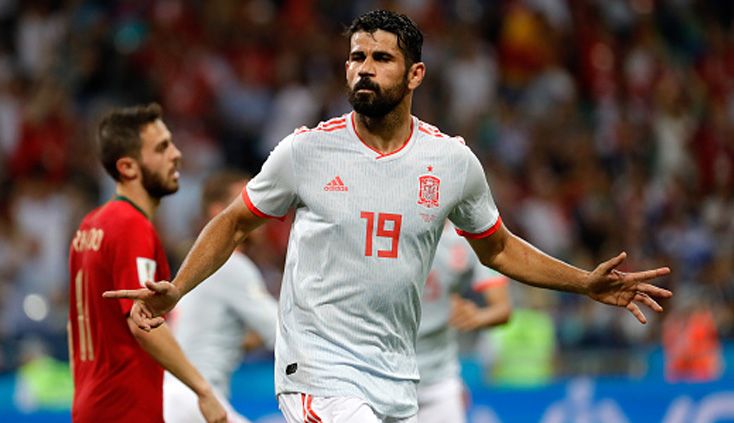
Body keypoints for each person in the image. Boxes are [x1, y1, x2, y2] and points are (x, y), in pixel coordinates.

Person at [104, 10, 671, 423]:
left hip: (399, 377)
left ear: (415, 75)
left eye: (380, 58)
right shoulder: (305, 152)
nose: (364, 70)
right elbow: (233, 221)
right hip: (318, 371)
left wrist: (583, 283)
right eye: (356, 58)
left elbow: (497, 248)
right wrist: (177, 289)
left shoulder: (451, 163)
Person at [67, 103, 227, 423]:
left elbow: (74, 328)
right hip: (125, 407)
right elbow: (143, 323)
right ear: (128, 167)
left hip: (89, 404)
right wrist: (203, 390)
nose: (177, 154)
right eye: (162, 147)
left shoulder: (89, 227)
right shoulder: (132, 225)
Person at [163, 170, 279, 423]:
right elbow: (281, 333)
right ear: (218, 212)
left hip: (176, 396)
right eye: (247, 201)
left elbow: (215, 331)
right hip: (197, 398)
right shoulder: (231, 265)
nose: (259, 209)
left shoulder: (198, 264)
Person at [416, 223, 511, 423]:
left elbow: (502, 309)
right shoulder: (388, 226)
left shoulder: (468, 235)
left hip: (439, 377)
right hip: (383, 374)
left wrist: (476, 316)